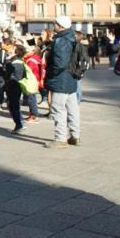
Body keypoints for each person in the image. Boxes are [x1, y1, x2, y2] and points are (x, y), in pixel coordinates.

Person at [45, 16, 80, 148]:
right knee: (73, 108)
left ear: (60, 25)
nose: (54, 25)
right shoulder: (72, 37)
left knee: (58, 108)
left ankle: (60, 139)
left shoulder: (61, 40)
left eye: (55, 23)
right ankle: (75, 135)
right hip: (71, 78)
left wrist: (51, 74)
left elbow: (60, 63)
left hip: (61, 79)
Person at [6, 44, 27, 134]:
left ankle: (19, 124)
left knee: (13, 106)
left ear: (16, 51)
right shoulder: (14, 60)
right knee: (13, 105)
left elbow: (14, 75)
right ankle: (20, 123)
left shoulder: (16, 62)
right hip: (12, 85)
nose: (10, 49)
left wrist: (7, 62)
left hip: (14, 86)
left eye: (13, 48)